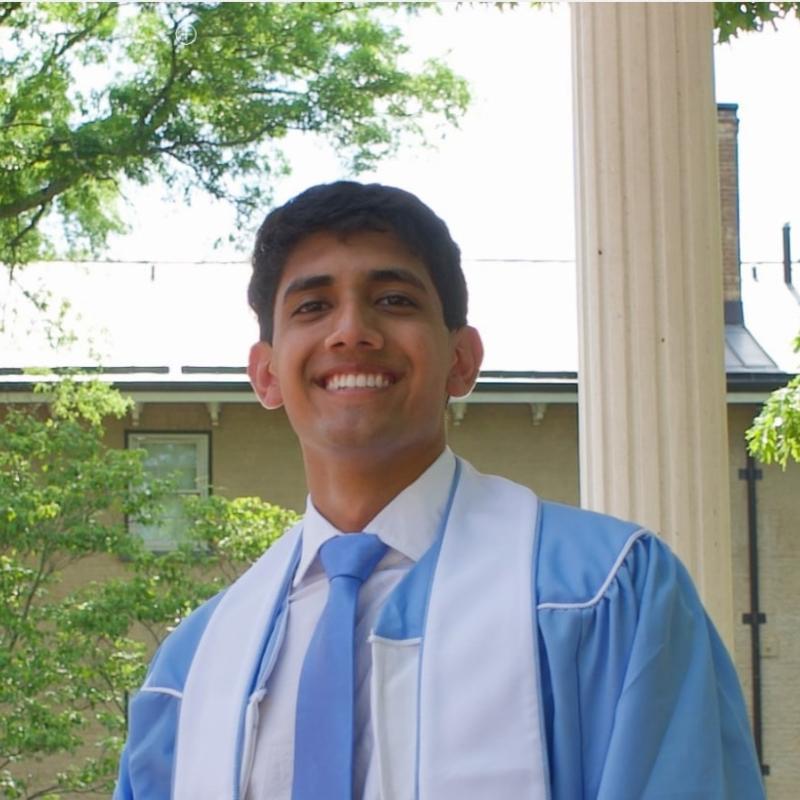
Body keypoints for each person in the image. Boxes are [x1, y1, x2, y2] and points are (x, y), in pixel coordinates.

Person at [114, 181, 765, 800]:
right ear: (265, 374)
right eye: (313, 306)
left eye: (394, 300)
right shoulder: (194, 671)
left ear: (462, 360)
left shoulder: (607, 596)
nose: (352, 331)